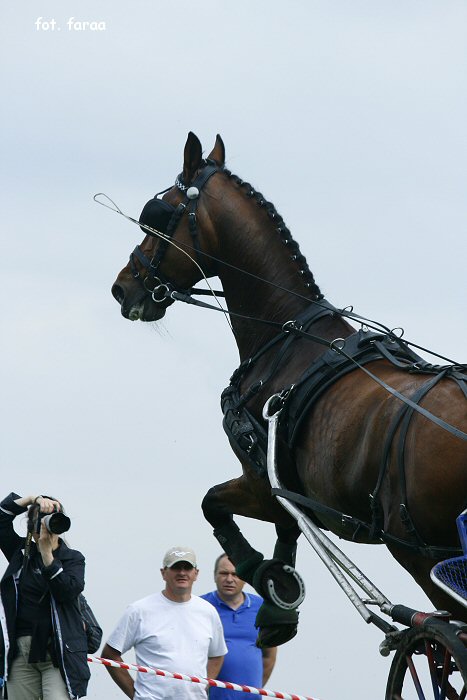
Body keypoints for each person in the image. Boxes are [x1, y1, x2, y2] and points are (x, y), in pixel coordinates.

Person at [102, 545, 227, 700]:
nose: (182, 573)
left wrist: (203, 685)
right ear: (163, 573)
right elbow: (110, 655)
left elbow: (217, 655)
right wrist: (135, 695)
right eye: (175, 568)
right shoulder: (139, 610)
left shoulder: (208, 611)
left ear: (196, 573)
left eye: (187, 567)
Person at [0, 491, 90, 699]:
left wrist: (48, 555)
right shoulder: (20, 552)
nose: (47, 527)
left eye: (53, 520)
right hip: (19, 651)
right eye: (41, 521)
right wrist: (32, 500)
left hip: (56, 651)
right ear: (31, 526)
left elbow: (68, 591)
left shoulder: (72, 559)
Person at [201, 554, 277, 699]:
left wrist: (253, 689)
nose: (229, 579)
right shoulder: (200, 606)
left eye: (235, 574)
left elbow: (269, 656)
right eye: (224, 573)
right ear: (215, 576)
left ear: (245, 578)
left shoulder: (262, 607)